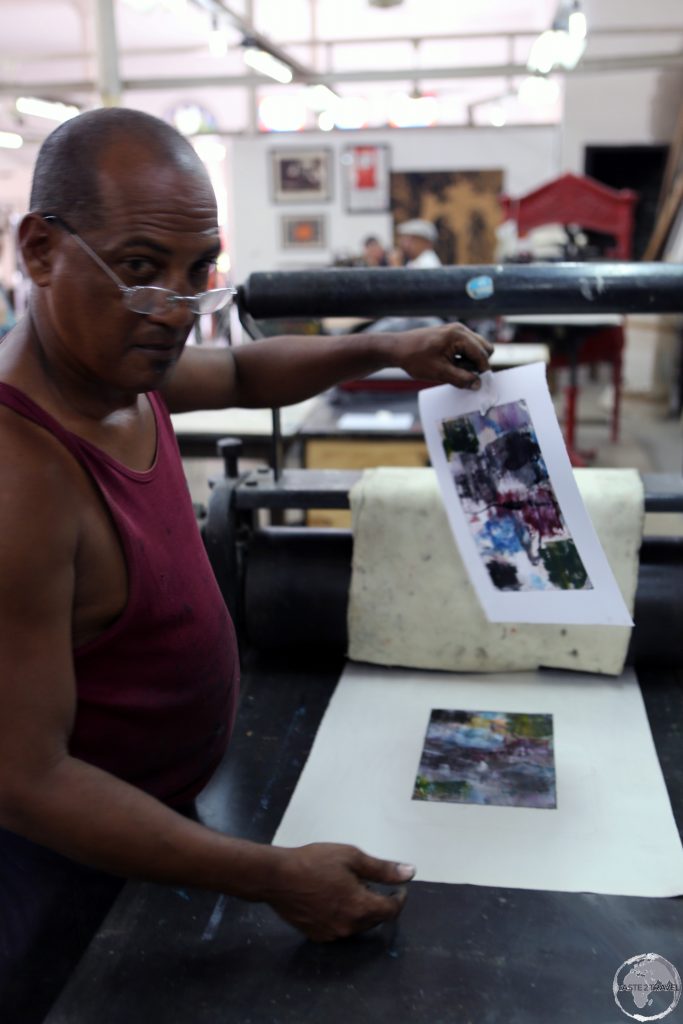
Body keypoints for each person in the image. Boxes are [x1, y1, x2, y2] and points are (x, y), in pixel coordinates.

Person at [0, 107, 492, 1013]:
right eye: (142, 269)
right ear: (39, 250)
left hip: (167, 815)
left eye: (199, 275)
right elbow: (28, 781)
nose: (175, 314)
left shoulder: (118, 372)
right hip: (66, 875)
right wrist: (270, 876)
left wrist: (388, 346)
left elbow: (239, 375)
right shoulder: (20, 477)